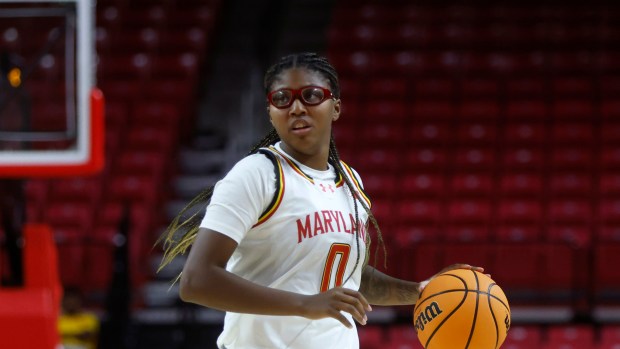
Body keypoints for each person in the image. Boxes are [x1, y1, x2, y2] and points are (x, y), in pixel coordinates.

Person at [158, 52, 484, 349]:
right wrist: (307, 304)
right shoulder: (257, 174)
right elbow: (197, 281)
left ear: (336, 107)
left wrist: (419, 291)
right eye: (282, 99)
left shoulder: (351, 181)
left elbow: (347, 276)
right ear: (271, 113)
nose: (297, 107)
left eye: (312, 96)